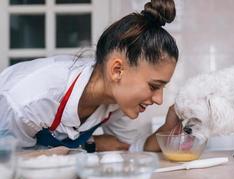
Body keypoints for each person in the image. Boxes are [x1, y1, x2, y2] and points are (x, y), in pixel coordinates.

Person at [0, 0, 180, 152]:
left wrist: (169, 127)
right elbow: (9, 163)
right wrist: (90, 145)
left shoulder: (118, 102)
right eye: (154, 86)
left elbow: (130, 147)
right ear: (117, 70)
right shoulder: (29, 100)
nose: (159, 99)